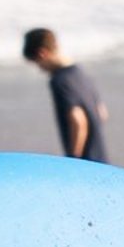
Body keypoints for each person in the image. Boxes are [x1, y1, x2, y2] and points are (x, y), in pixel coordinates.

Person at [21, 28, 111, 160]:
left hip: (84, 162)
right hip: (100, 157)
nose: (40, 69)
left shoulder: (59, 80)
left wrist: (73, 158)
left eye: (37, 64)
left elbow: (78, 121)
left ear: (42, 54)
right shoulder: (80, 73)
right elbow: (102, 114)